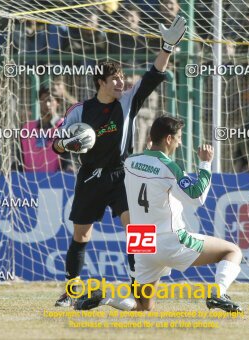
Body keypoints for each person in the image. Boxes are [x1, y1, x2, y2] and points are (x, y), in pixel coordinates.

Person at [52, 15, 187, 307]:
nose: (121, 82)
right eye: (115, 78)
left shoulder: (126, 103)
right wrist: (66, 143)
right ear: (100, 82)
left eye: (122, 77)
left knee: (136, 228)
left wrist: (166, 47)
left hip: (121, 176)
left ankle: (139, 289)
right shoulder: (80, 110)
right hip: (89, 175)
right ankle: (70, 292)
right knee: (82, 235)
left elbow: (152, 76)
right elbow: (57, 145)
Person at [75, 116, 242, 312]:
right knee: (232, 252)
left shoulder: (130, 162)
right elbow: (197, 197)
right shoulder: (170, 167)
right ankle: (218, 294)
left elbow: (143, 166)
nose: (180, 143)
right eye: (179, 138)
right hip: (169, 240)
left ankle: (107, 297)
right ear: (169, 139)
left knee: (144, 306)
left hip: (141, 241)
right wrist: (205, 164)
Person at [20, 87, 73, 172]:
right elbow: (19, 158)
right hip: (28, 181)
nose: (46, 104)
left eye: (50, 100)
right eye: (42, 100)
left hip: (56, 181)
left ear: (58, 102)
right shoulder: (27, 128)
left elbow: (69, 160)